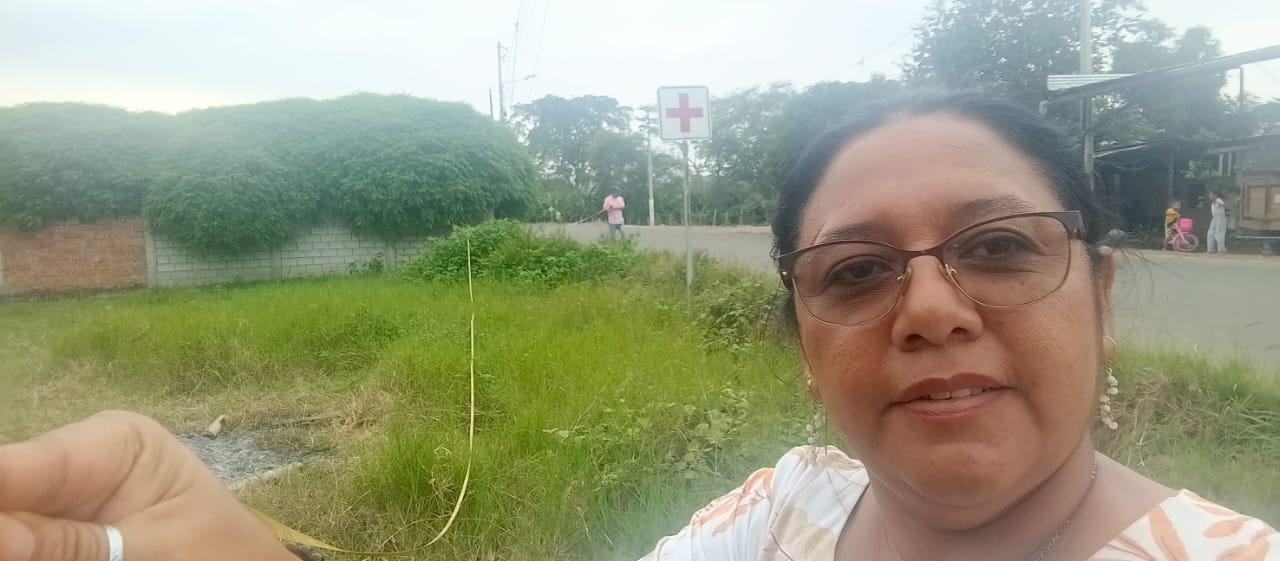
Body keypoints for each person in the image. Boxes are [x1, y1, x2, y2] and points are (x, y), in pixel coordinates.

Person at [0, 91, 1276, 561]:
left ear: (1100, 294)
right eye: (853, 273)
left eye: (997, 248)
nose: (930, 311)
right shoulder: (785, 513)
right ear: (799, 339)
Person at [1207, 190, 1228, 254]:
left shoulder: (1218, 200)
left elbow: (1224, 205)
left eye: (1211, 195)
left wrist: (1220, 204)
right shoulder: (1212, 203)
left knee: (1219, 234)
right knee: (1210, 234)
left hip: (1220, 218)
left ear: (1215, 195)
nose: (1210, 196)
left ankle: (1221, 250)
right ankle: (1211, 249)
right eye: (1209, 195)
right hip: (1214, 218)